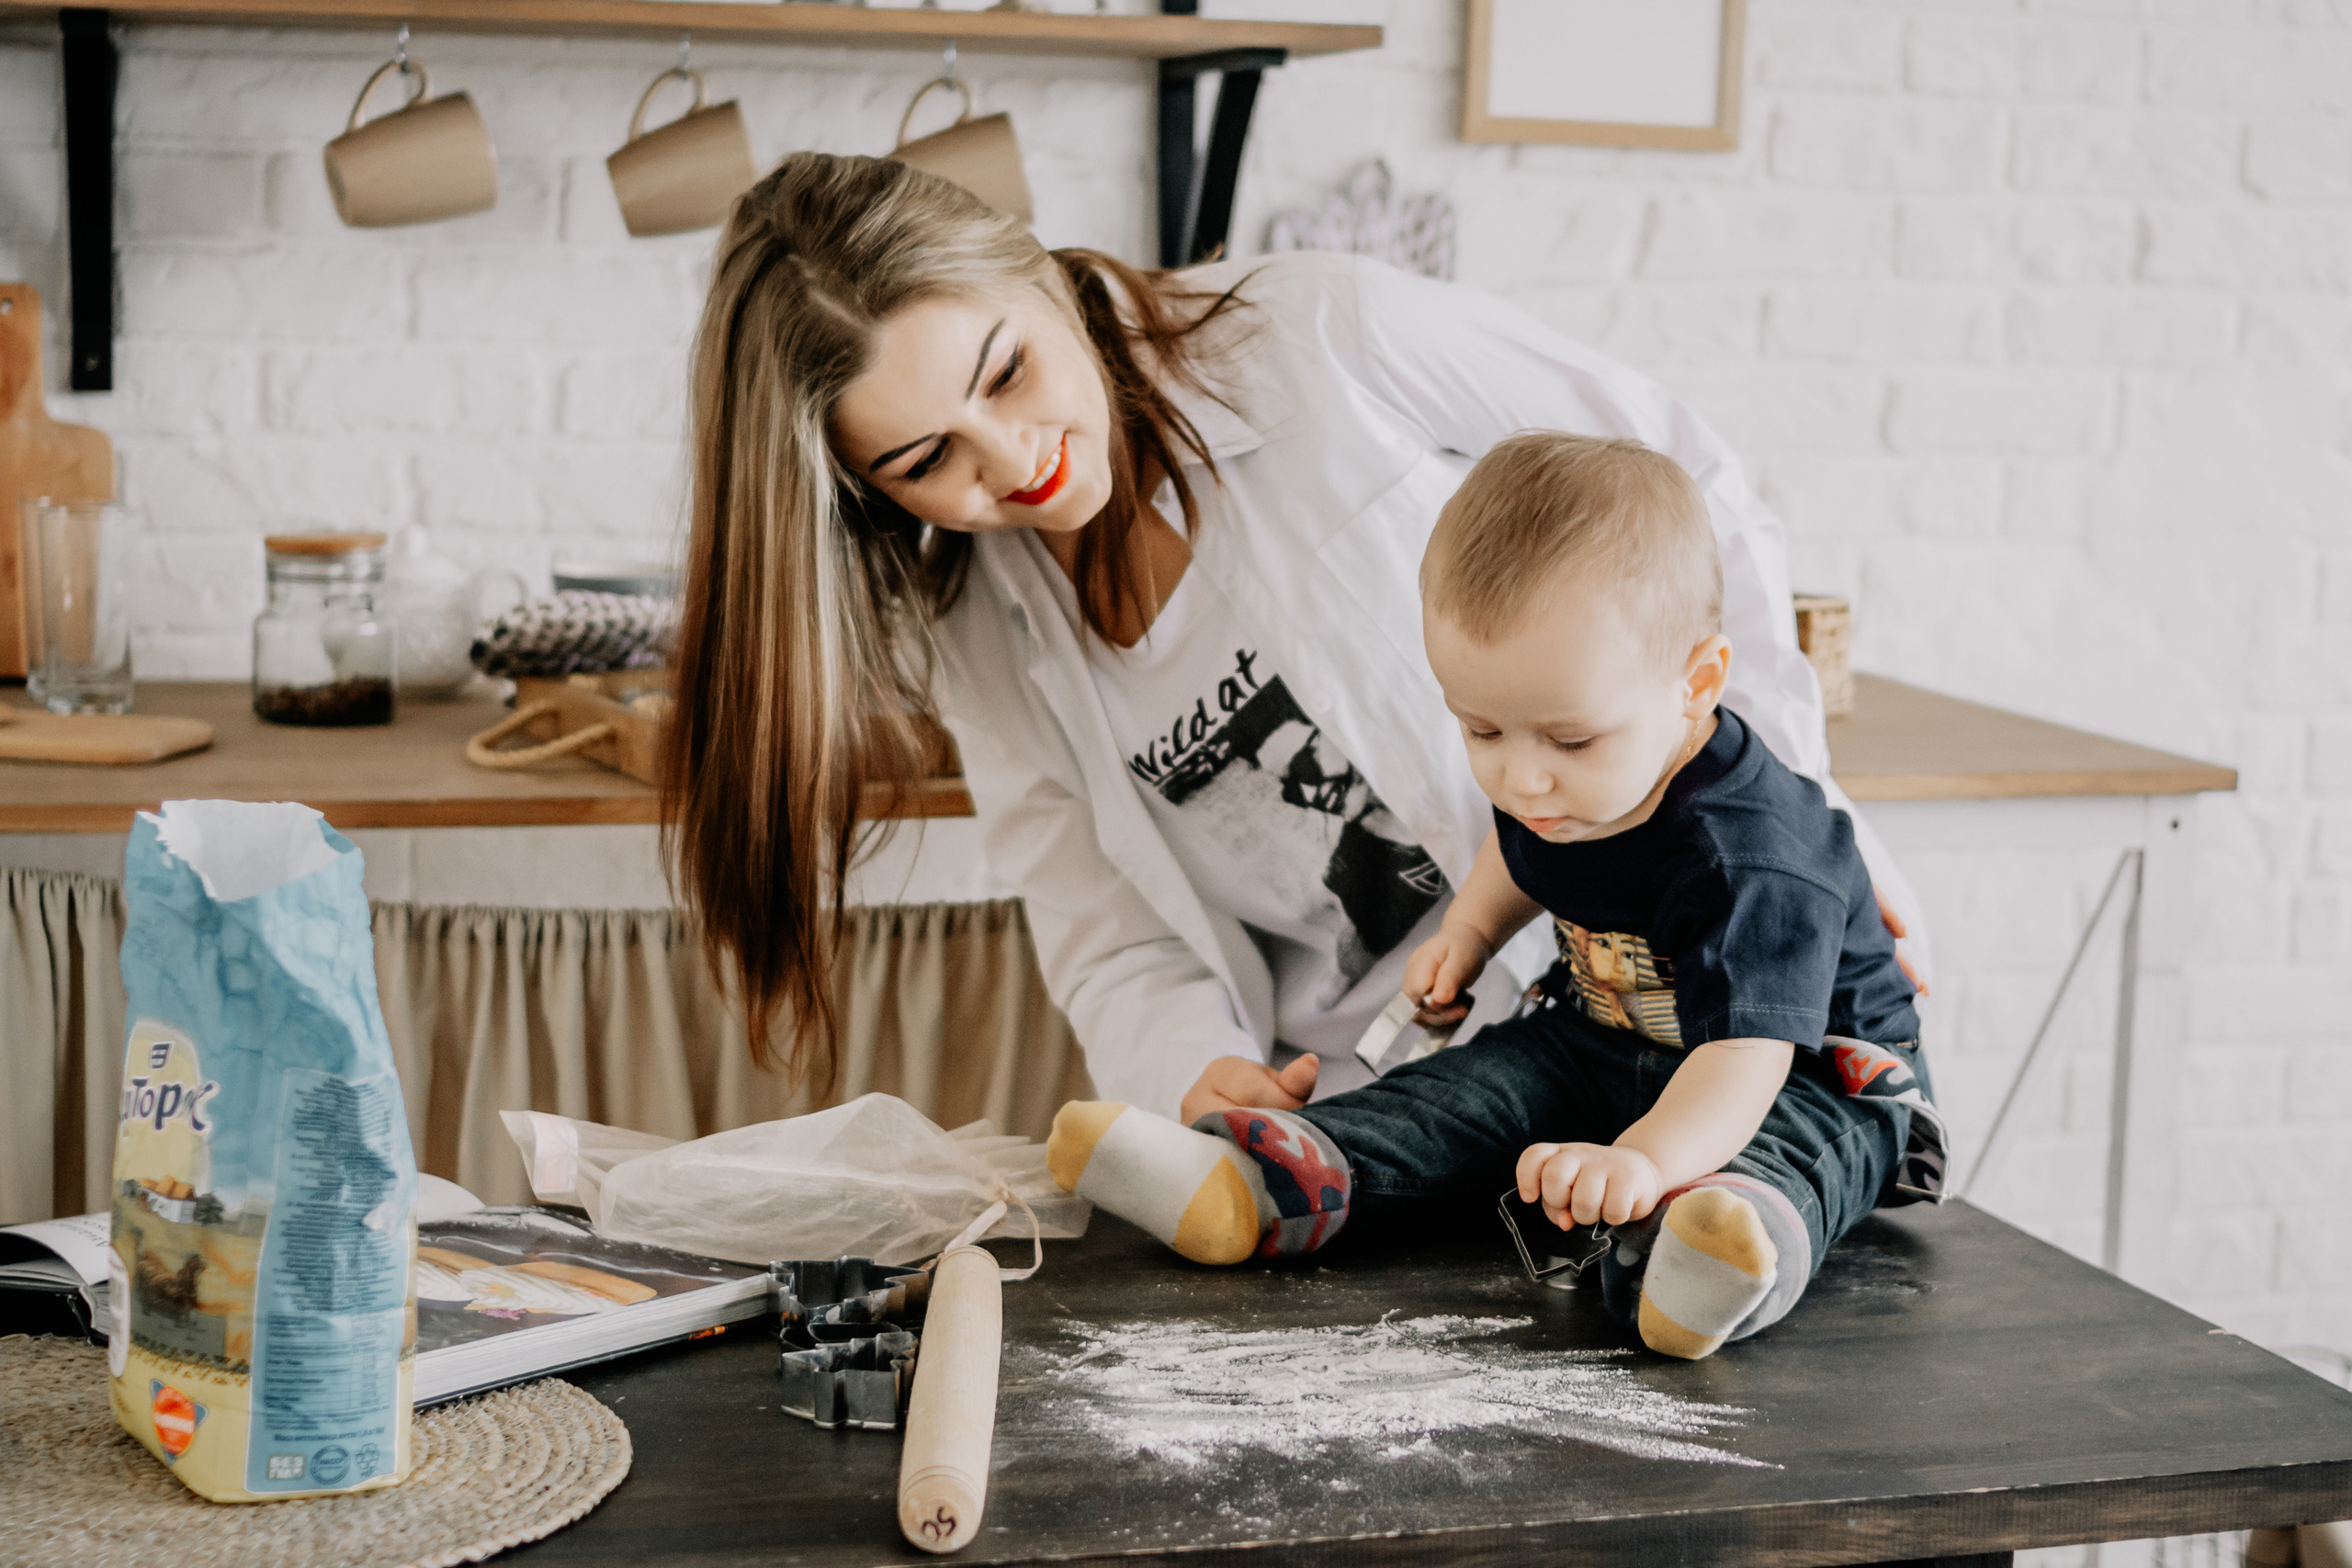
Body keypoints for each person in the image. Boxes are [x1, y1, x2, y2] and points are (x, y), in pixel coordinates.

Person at [661, 152, 1926, 1146]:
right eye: (926, 458)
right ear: (868, 493)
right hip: (1384, 1093)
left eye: (1006, 372)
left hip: (1676, 1005)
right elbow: (1108, 932)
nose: (1014, 460)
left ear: (1035, 275)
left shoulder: (1324, 333)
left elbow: (1680, 482)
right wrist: (1193, 1073)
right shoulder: (975, 627)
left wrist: (1785, 812)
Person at [1047, 433, 1946, 1360]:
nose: (1521, 779)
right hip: (1605, 1041)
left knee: (1788, 1157)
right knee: (1472, 1087)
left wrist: (1644, 1160)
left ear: (1697, 684)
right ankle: (1258, 1178)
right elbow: (1517, 851)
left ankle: (1702, 1256)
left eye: (1569, 741)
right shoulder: (1561, 775)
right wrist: (1471, 930)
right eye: (1481, 731)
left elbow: (1745, 1060)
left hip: (1801, 1072)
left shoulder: (1751, 856)